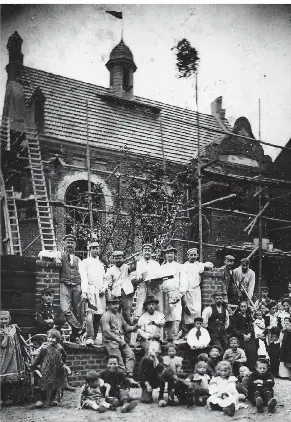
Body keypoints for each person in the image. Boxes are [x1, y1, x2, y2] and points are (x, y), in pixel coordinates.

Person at [100, 296, 139, 386]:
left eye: (117, 303)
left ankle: (129, 376)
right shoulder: (105, 316)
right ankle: (123, 379)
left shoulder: (119, 315)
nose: (116, 306)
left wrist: (134, 327)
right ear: (109, 305)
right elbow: (106, 332)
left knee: (130, 354)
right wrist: (118, 339)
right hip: (110, 341)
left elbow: (126, 327)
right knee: (119, 360)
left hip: (119, 341)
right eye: (113, 304)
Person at [79, 241, 107, 346]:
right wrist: (85, 292)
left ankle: (95, 336)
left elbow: (104, 279)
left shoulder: (100, 264)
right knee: (89, 314)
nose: (95, 250)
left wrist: (104, 288)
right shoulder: (85, 262)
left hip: (100, 293)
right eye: (93, 248)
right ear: (89, 250)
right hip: (90, 290)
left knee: (99, 315)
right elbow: (84, 278)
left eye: (97, 248)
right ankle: (89, 337)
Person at [30, 329, 67, 408]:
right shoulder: (45, 348)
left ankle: (55, 399)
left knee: (56, 383)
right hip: (47, 368)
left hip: (57, 368)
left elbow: (64, 355)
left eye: (54, 338)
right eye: (49, 337)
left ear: (57, 339)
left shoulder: (59, 347)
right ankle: (46, 400)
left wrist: (63, 363)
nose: (51, 340)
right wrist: (34, 365)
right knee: (46, 383)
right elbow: (39, 357)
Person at [106, 250, 135, 344]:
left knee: (127, 316)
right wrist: (110, 297)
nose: (118, 259)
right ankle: (117, 340)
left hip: (127, 295)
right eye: (116, 258)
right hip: (116, 296)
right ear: (113, 259)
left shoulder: (127, 267)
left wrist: (135, 260)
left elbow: (134, 268)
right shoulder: (110, 270)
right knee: (115, 318)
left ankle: (128, 340)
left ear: (123, 258)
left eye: (120, 258)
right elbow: (109, 285)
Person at [181, 248, 213, 333]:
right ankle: (187, 330)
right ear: (188, 256)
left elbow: (210, 265)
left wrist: (204, 264)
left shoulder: (198, 265)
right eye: (191, 255)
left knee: (197, 310)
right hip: (188, 291)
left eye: (195, 255)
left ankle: (196, 329)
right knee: (188, 311)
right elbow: (183, 280)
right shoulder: (184, 266)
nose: (193, 257)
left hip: (196, 290)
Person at [59, 234, 83, 343]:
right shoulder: (60, 255)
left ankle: (75, 336)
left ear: (75, 245)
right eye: (67, 242)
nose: (69, 245)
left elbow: (83, 273)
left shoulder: (78, 259)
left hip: (77, 285)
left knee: (78, 311)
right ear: (64, 244)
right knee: (65, 309)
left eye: (72, 243)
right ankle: (79, 328)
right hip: (65, 284)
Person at [0, 310, 28, 406]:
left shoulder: (13, 328)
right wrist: (6, 335)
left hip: (14, 355)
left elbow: (20, 338)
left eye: (6, 319)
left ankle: (11, 397)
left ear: (9, 319)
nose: (4, 321)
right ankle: (2, 398)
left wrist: (27, 345)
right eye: (1, 319)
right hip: (3, 356)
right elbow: (3, 345)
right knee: (3, 374)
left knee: (12, 377)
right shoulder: (0, 331)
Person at [159, 246, 185, 340]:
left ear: (174, 254)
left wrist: (180, 294)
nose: (170, 255)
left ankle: (174, 336)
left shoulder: (179, 266)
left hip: (174, 293)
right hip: (163, 294)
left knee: (175, 315)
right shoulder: (162, 267)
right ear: (165, 255)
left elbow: (183, 281)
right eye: (168, 253)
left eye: (171, 253)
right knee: (165, 315)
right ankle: (166, 336)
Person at [134, 243, 161, 320]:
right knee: (141, 306)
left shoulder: (156, 264)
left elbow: (159, 276)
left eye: (149, 251)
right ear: (142, 252)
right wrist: (140, 279)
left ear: (151, 252)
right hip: (142, 287)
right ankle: (140, 324)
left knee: (152, 305)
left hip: (153, 288)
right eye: (145, 250)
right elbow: (135, 276)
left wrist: (154, 281)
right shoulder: (138, 263)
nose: (147, 252)